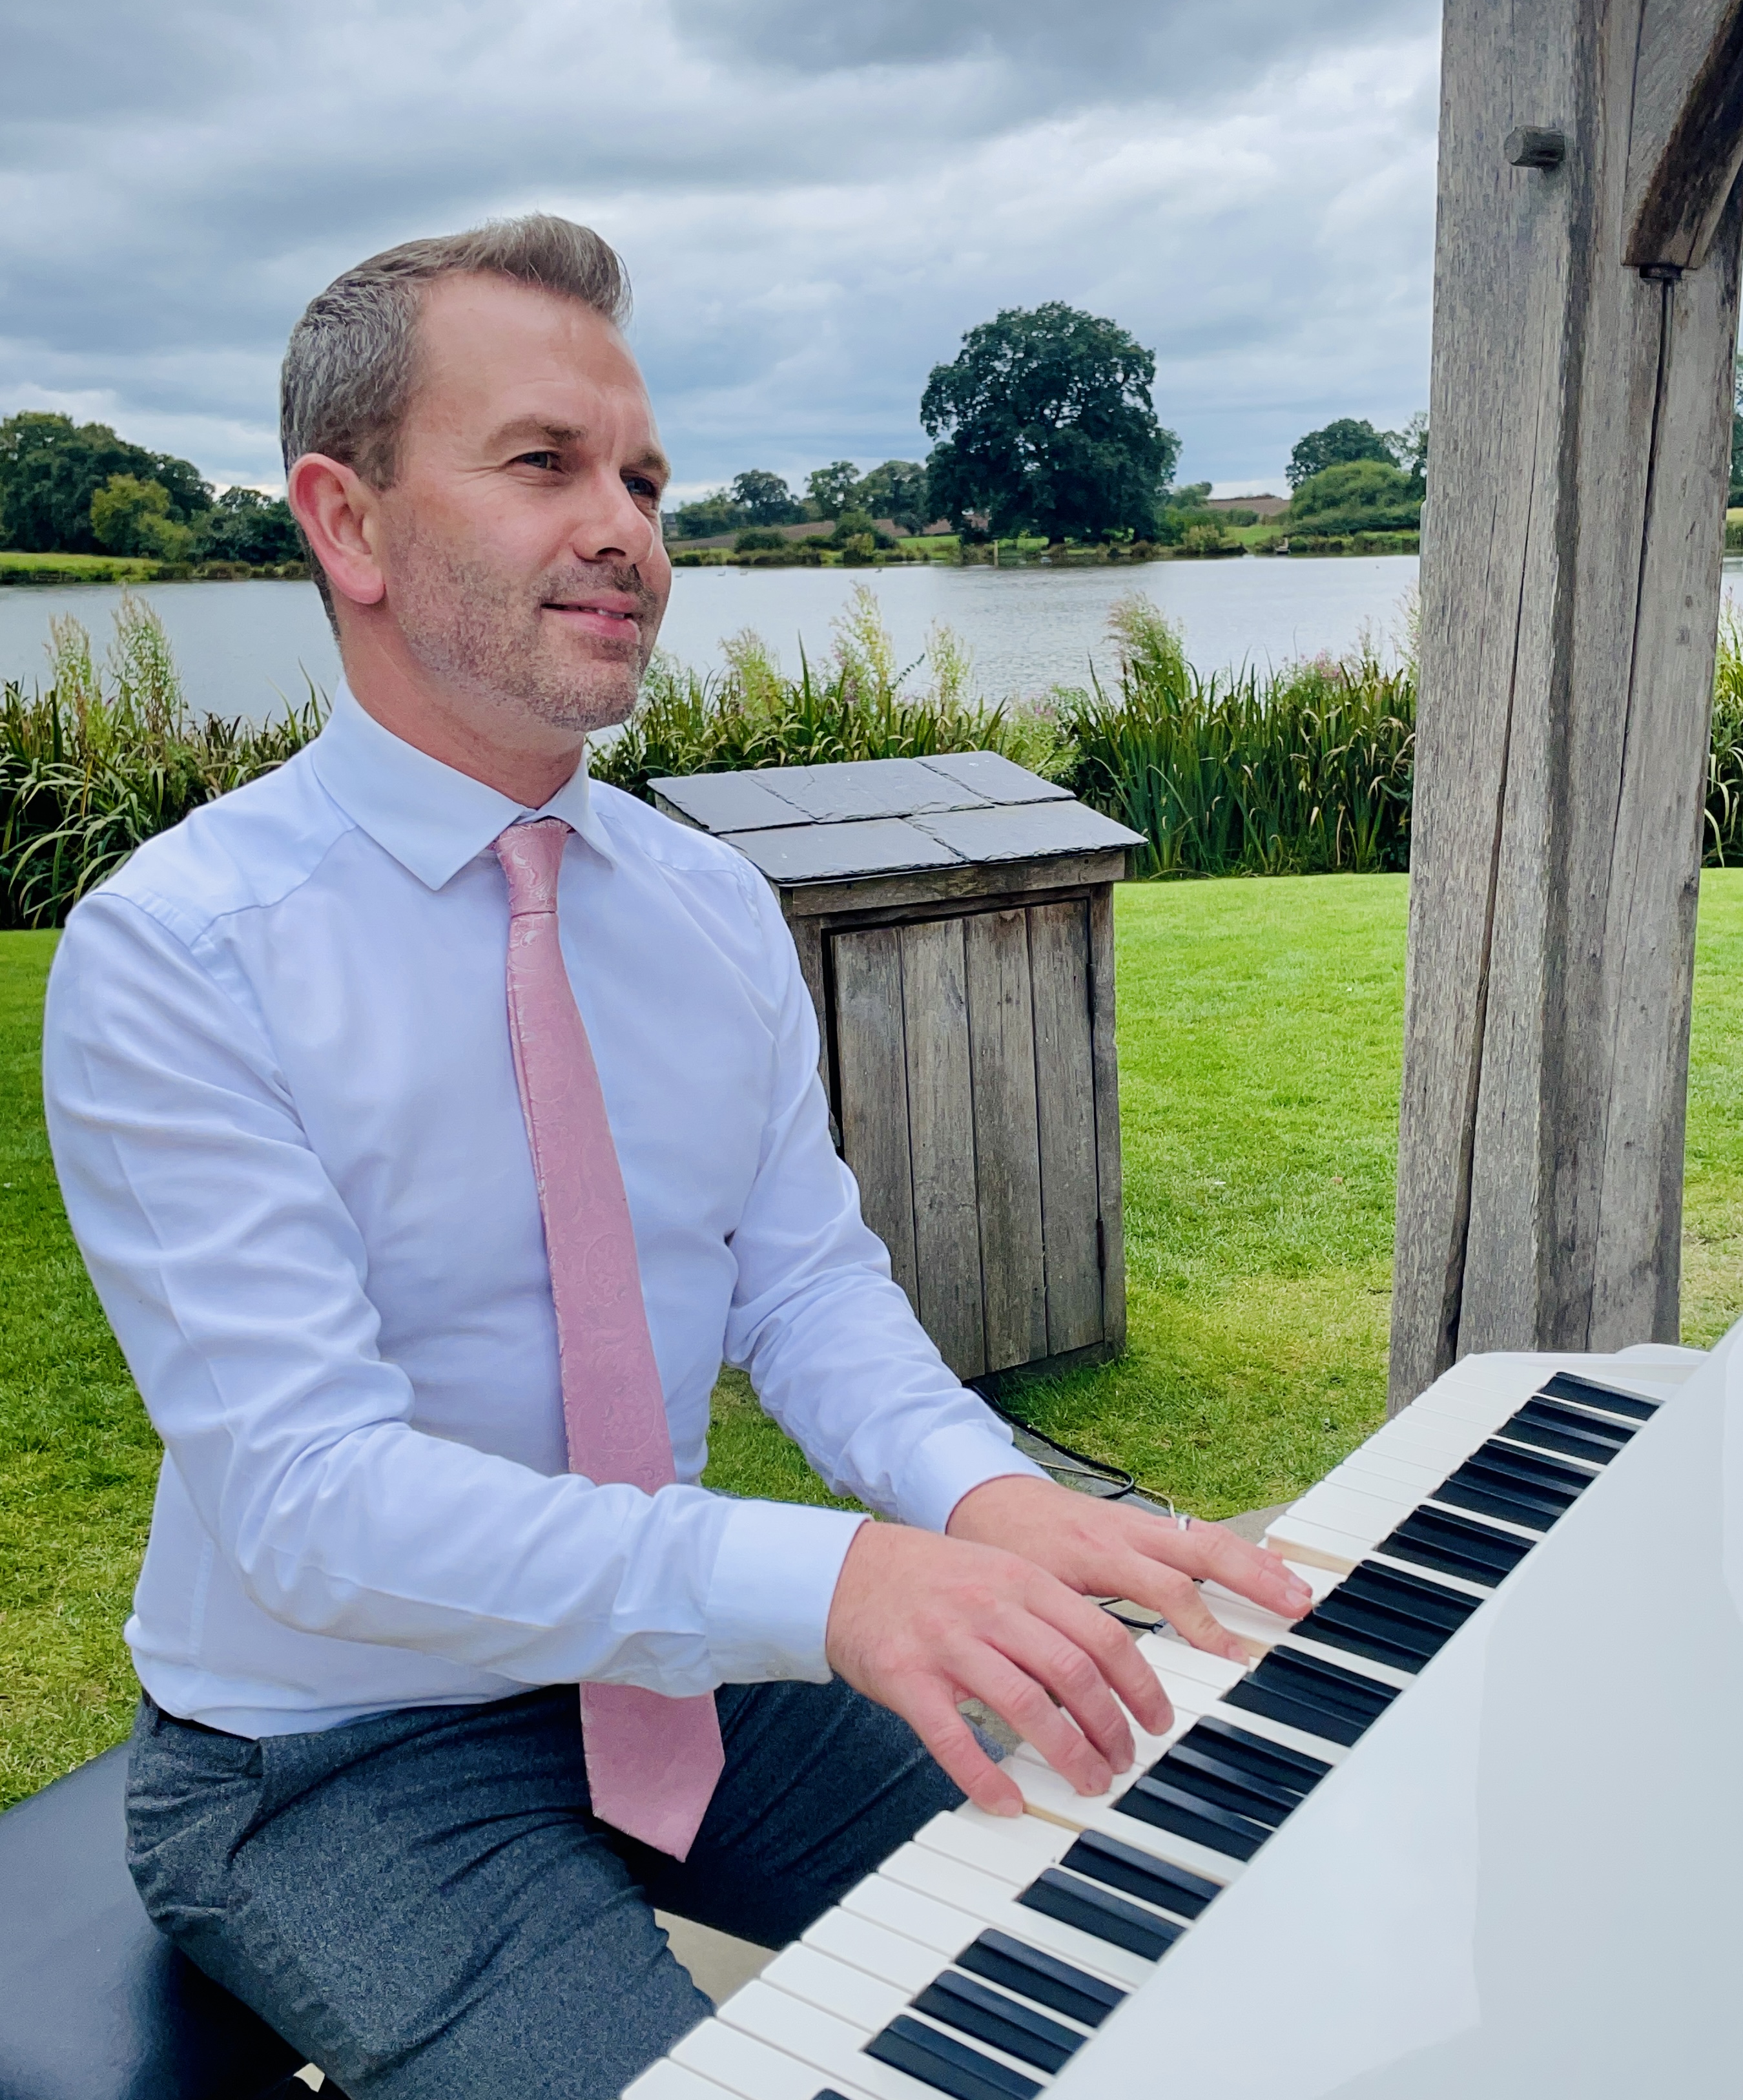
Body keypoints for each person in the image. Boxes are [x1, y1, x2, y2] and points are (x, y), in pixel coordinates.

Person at [43, 215, 1310, 2100]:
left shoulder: (705, 910)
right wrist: (831, 1585)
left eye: (642, 476)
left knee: (1166, 1935)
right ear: (352, 523)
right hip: (333, 1754)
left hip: (677, 1676)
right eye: (544, 463)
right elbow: (310, 1500)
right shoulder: (180, 954)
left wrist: (976, 1500)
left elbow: (804, 1283)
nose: (629, 527)